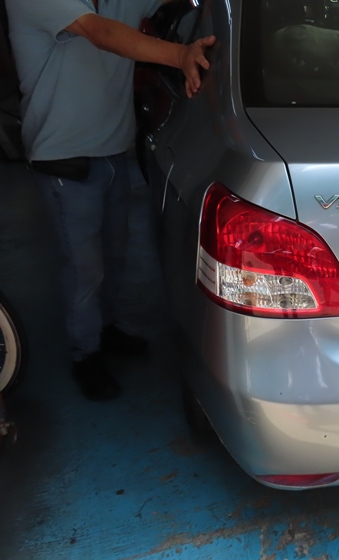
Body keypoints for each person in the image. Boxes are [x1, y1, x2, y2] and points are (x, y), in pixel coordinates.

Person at [5, 0, 215, 400]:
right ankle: (85, 353)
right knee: (84, 267)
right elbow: (101, 33)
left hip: (113, 148)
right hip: (64, 155)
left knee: (114, 254)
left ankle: (103, 327)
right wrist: (180, 55)